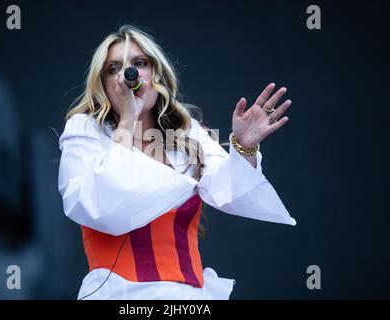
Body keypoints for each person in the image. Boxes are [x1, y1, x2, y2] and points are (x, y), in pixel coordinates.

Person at [57, 25, 296, 300]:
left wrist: (245, 146)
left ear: (155, 73)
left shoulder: (186, 137)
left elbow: (231, 193)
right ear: (103, 83)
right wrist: (127, 119)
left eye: (139, 64)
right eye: (113, 68)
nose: (127, 75)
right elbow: (97, 206)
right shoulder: (86, 131)